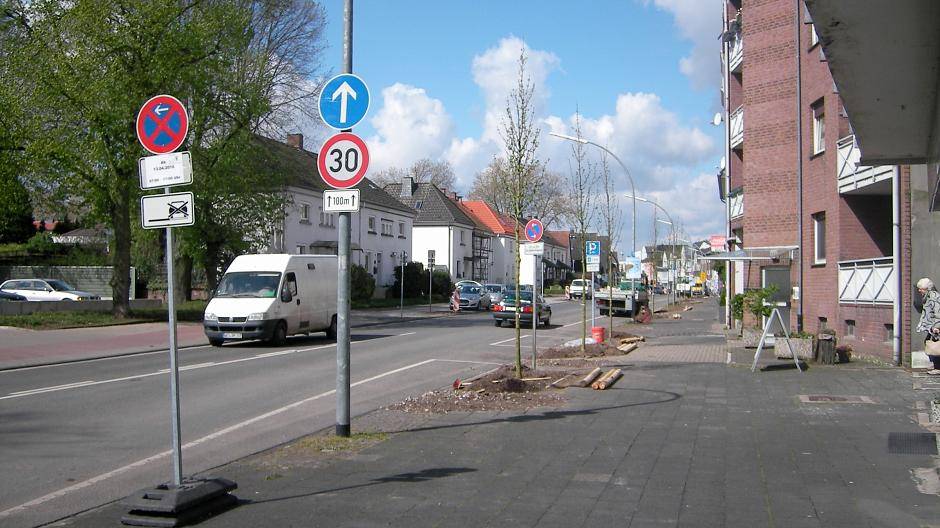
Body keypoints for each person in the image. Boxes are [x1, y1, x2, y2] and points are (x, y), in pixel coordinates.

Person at [916, 277, 940, 375]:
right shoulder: (928, 296)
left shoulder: (934, 296)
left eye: (921, 288)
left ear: (927, 288)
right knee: (930, 343)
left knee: (935, 345)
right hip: (931, 326)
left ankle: (938, 367)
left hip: (935, 326)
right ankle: (935, 364)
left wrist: (937, 326)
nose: (919, 290)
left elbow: (938, 312)